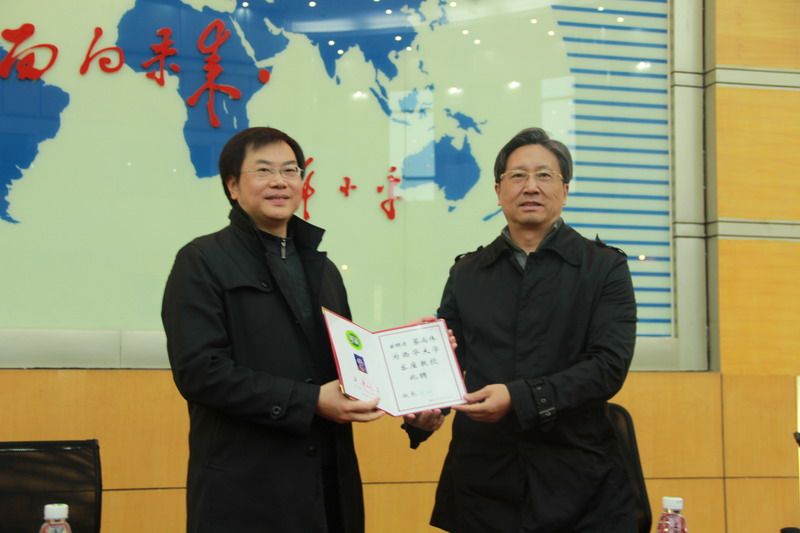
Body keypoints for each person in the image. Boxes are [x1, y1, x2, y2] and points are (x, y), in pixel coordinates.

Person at [407, 127, 638, 532]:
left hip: (578, 481)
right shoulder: (468, 272)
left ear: (565, 191)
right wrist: (424, 407)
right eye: (517, 176)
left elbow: (608, 367)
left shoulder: (605, 268)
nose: (530, 186)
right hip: (483, 483)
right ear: (498, 192)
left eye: (544, 175)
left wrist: (518, 398)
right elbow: (452, 361)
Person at [161, 127, 385, 533]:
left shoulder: (324, 270)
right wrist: (310, 401)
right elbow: (200, 371)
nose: (280, 181)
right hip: (247, 487)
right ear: (233, 186)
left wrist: (402, 362)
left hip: (328, 480)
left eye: (290, 170)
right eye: (263, 170)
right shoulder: (202, 260)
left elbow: (349, 364)